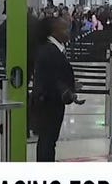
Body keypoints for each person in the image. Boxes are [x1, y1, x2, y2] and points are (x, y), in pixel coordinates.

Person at [31, 17, 78, 162]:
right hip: (48, 103)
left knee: (49, 140)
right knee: (47, 141)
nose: (68, 32)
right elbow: (51, 79)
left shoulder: (53, 49)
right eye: (64, 29)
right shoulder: (49, 51)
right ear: (54, 31)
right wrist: (66, 91)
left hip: (51, 102)